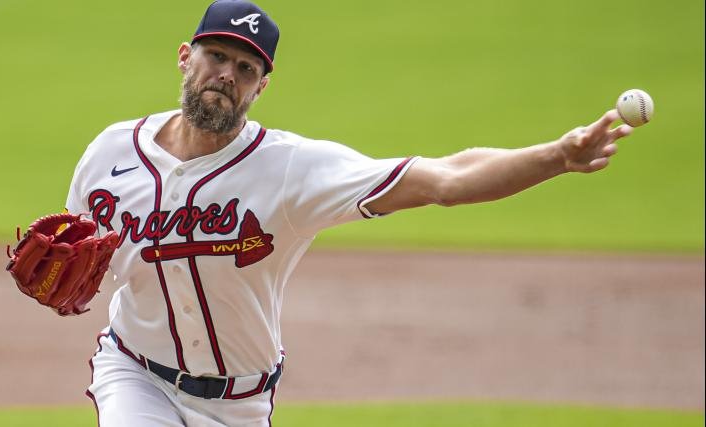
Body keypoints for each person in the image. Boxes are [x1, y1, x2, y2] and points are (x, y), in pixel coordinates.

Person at [68, 1, 633, 425]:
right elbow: (77, 258)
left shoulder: (290, 169)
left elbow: (446, 179)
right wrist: (62, 281)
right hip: (135, 374)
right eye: (216, 56)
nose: (227, 75)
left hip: (239, 402)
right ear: (185, 57)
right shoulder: (111, 153)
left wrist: (557, 157)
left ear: (261, 88)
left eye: (245, 68)